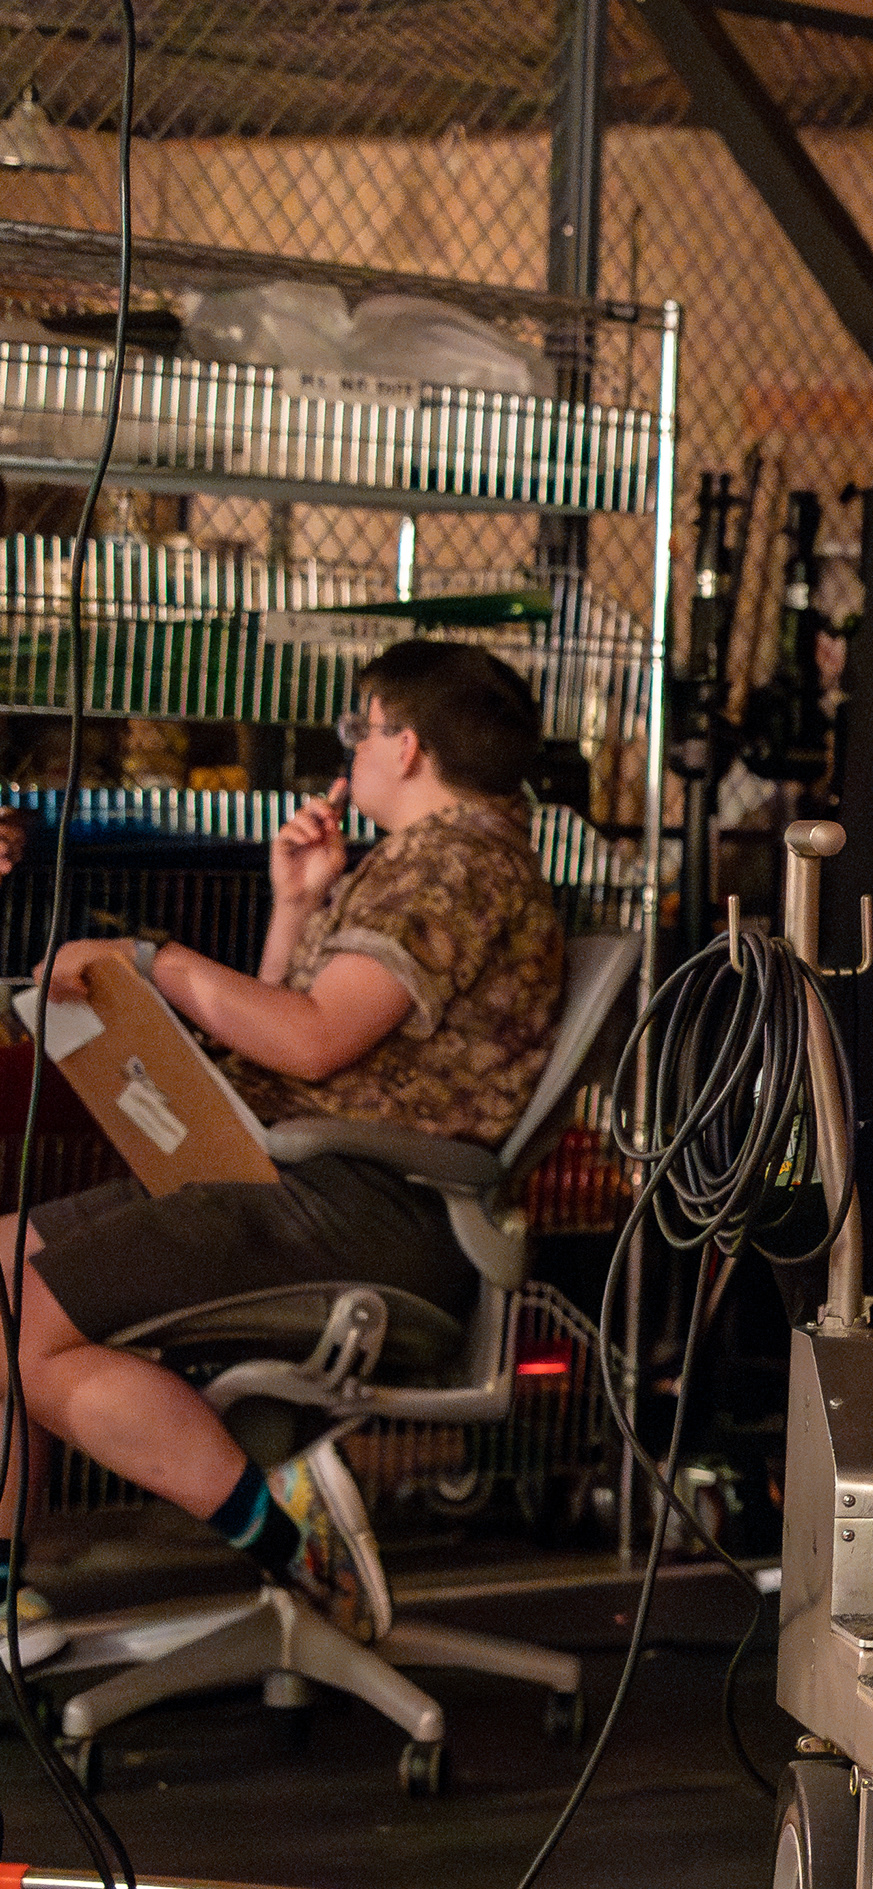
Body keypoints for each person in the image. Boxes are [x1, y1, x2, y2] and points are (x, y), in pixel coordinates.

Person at [8, 639, 567, 1661]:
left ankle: (277, 1530)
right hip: (299, 1176)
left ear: (405, 744)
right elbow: (280, 1050)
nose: (349, 750)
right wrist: (297, 905)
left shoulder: (454, 865)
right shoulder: (423, 863)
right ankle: (34, 1588)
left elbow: (312, 1040)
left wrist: (151, 960)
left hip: (363, 1205)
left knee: (20, 1309)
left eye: (358, 727)